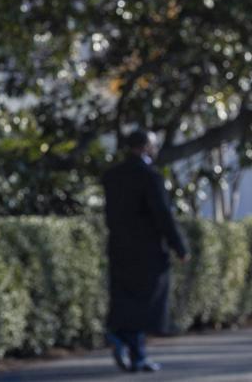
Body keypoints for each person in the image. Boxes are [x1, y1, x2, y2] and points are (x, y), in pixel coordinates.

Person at [101, 128, 189, 373]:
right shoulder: (150, 176)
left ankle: (136, 353)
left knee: (125, 298)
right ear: (146, 147)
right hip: (147, 250)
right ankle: (122, 339)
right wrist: (179, 246)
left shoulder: (112, 176)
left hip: (119, 247)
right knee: (147, 301)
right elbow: (163, 216)